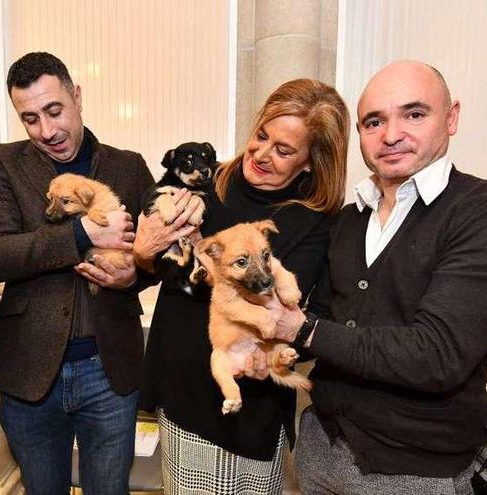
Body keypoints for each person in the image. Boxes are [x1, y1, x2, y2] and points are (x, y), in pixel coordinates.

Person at [287, 60, 487, 494]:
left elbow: (435, 355)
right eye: (374, 122)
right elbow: (326, 316)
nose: (390, 135)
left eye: (414, 114)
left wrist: (299, 328)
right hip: (319, 447)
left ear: (452, 117)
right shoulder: (349, 221)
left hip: (413, 473)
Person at [134, 79, 349, 494]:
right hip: (181, 391)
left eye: (284, 150)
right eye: (261, 136)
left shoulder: (310, 222)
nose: (261, 154)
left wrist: (198, 253)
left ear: (310, 162)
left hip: (244, 406)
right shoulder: (205, 183)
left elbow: (273, 303)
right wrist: (144, 250)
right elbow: (154, 264)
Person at [0, 52, 157, 494]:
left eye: (54, 111)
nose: (47, 131)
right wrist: (83, 232)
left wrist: (135, 277)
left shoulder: (127, 165)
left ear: (76, 95)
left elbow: (158, 255)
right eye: (30, 118)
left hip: (110, 370)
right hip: (28, 371)